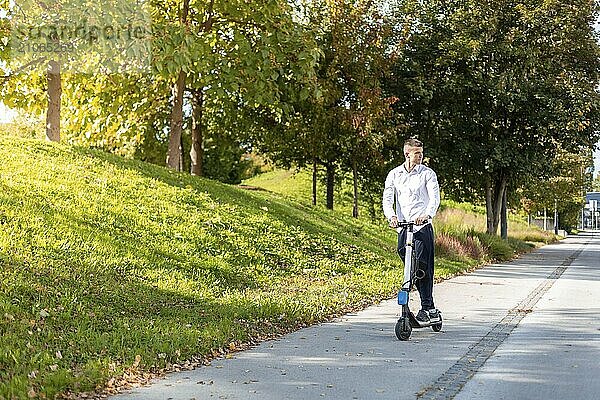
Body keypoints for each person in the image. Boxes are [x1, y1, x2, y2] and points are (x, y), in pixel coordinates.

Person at [382, 138, 441, 323]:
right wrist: (391, 216)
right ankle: (422, 303)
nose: (421, 156)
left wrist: (427, 214)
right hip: (404, 228)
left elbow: (434, 199)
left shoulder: (427, 174)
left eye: (421, 153)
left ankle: (427, 307)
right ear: (407, 154)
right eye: (417, 153)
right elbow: (387, 198)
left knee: (423, 267)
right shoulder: (394, 174)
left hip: (421, 227)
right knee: (409, 264)